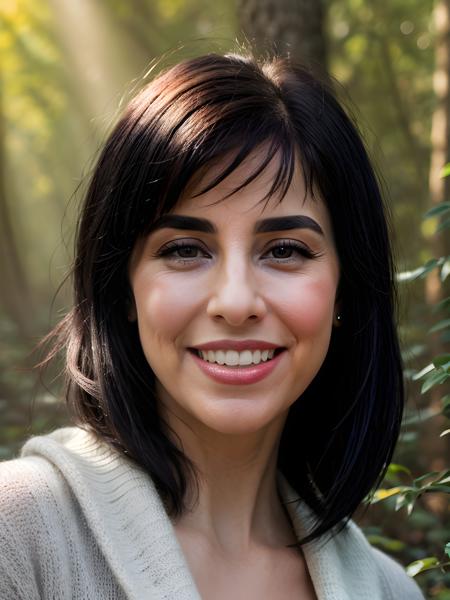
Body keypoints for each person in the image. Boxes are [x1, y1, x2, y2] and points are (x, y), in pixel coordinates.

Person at [0, 52, 424, 599]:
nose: (235, 301)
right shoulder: (18, 535)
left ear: (346, 287)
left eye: (286, 250)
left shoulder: (391, 592)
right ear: (125, 288)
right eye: (184, 249)